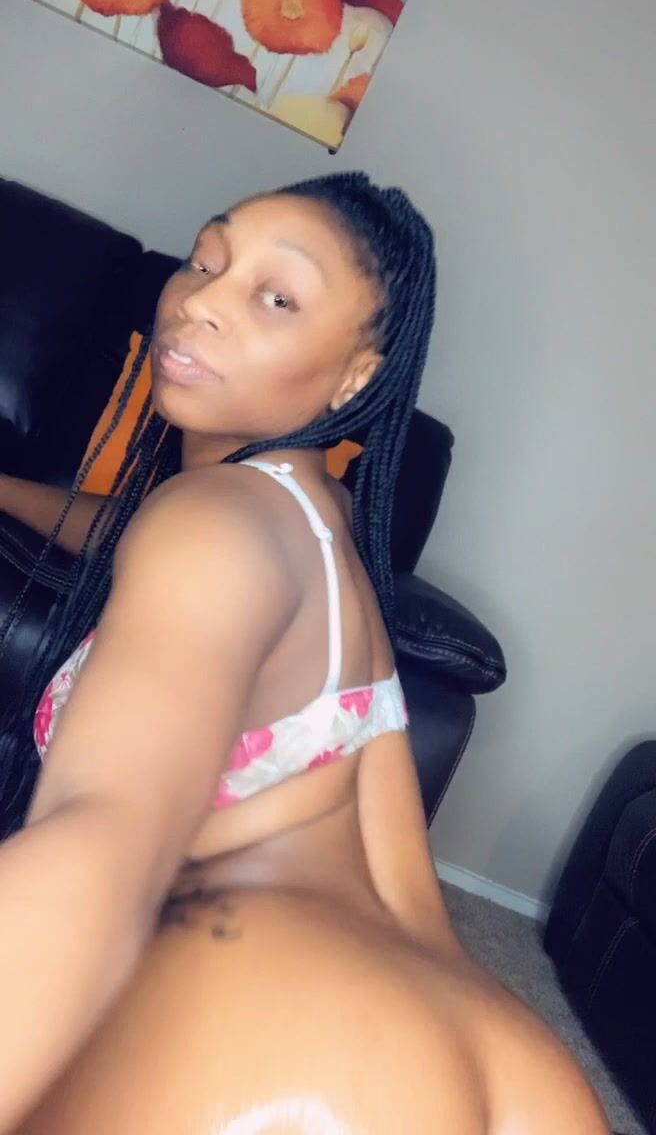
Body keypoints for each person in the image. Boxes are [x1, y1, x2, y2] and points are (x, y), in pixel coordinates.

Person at [0, 173, 608, 1134]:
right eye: (206, 260)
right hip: (494, 1053)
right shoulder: (316, 525)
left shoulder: (212, 520)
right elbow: (121, 531)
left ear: (355, 377)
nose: (199, 301)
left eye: (275, 297)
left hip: (264, 1025)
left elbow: (100, 836)